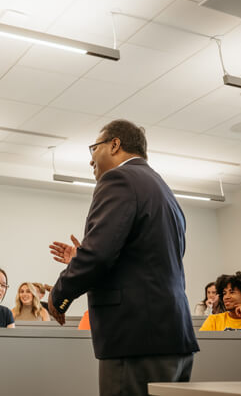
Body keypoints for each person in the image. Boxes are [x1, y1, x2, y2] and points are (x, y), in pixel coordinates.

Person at [48, 120, 198, 396]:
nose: (90, 160)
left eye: (94, 148)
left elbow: (99, 255)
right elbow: (143, 259)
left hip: (136, 340)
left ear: (114, 144)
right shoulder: (164, 191)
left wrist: (59, 295)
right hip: (174, 337)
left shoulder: (118, 179)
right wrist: (84, 256)